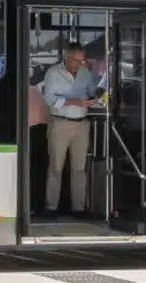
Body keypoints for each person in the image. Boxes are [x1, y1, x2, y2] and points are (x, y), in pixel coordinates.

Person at [40, 42, 102, 216]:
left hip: (82, 124)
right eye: (77, 61)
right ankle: (51, 208)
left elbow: (90, 91)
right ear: (67, 58)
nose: (81, 64)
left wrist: (94, 97)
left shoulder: (85, 73)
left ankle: (79, 208)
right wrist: (77, 102)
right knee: (56, 167)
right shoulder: (53, 73)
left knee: (79, 169)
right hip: (60, 123)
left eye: (82, 61)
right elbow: (50, 99)